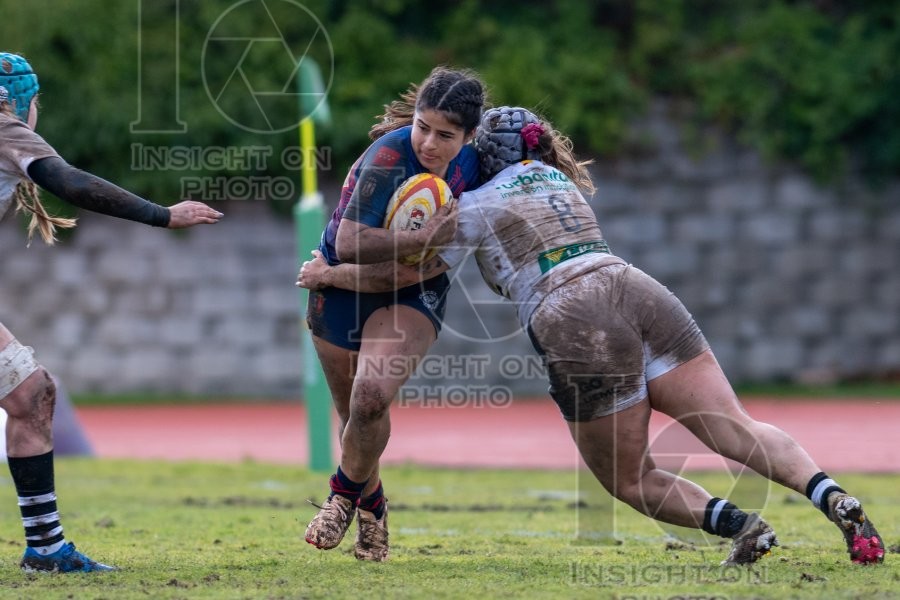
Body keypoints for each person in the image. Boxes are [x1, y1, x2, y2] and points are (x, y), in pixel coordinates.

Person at [297, 106, 885, 566]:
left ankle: (744, 525)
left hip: (572, 313)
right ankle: (832, 496)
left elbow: (411, 268)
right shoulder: (560, 182)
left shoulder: (470, 202)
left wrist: (331, 272)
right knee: (738, 428)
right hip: (638, 287)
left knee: (629, 478)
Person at [1, 52, 224, 573]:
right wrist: (161, 214)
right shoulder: (8, 127)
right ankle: (47, 551)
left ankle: (46, 550)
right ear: (27, 102)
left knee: (31, 395)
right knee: (31, 395)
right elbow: (70, 181)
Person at [302, 67, 485, 562]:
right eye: (423, 126)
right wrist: (417, 241)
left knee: (369, 397)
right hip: (340, 275)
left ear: (469, 136)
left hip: (410, 289)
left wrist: (336, 276)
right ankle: (374, 507)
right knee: (355, 415)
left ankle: (341, 497)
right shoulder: (387, 156)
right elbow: (349, 243)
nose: (428, 143)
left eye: (445, 135)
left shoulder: (477, 167)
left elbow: (418, 270)